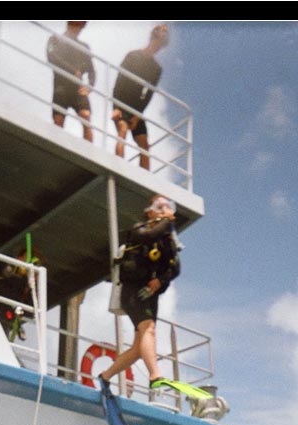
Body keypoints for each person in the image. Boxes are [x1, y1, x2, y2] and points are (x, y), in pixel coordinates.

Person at [100, 194, 181, 396]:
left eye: (167, 206)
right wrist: (167, 222)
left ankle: (105, 376)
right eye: (159, 206)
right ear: (149, 211)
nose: (164, 210)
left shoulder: (167, 241)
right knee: (148, 329)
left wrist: (159, 282)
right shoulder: (139, 229)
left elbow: (175, 268)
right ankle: (155, 376)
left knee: (138, 348)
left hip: (149, 294)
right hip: (132, 291)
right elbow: (148, 237)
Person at [112, 24, 169, 170]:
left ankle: (145, 178)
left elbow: (149, 93)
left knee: (144, 144)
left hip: (136, 107)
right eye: (158, 42)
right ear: (152, 38)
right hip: (121, 101)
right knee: (122, 131)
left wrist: (138, 114)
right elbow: (119, 81)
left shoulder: (157, 68)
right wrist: (116, 107)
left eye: (161, 45)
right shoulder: (133, 56)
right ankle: (118, 168)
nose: (158, 47)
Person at [46, 22, 96, 142]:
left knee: (86, 116)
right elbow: (51, 57)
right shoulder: (54, 39)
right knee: (58, 121)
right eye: (76, 24)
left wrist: (89, 86)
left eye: (81, 25)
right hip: (60, 87)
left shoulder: (84, 47)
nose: (78, 28)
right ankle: (55, 151)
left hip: (77, 89)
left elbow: (92, 71)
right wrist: (73, 71)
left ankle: (88, 153)